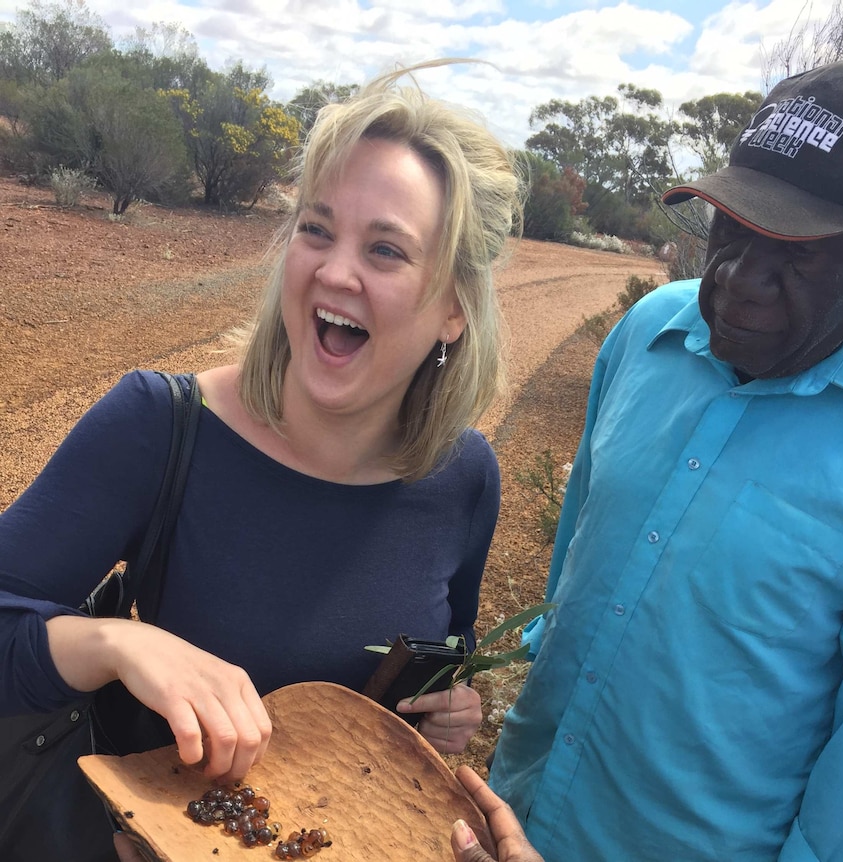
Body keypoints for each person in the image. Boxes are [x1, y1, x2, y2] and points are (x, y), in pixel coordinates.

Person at [0, 59, 523, 861]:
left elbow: (434, 656)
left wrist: (444, 713)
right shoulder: (160, 426)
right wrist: (119, 646)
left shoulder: (462, 478)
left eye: (385, 250)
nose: (334, 270)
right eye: (317, 228)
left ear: (453, 307)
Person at [488, 57, 843, 861]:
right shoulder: (647, 333)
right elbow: (579, 540)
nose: (737, 280)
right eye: (732, 226)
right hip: (514, 810)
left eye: (794, 252)